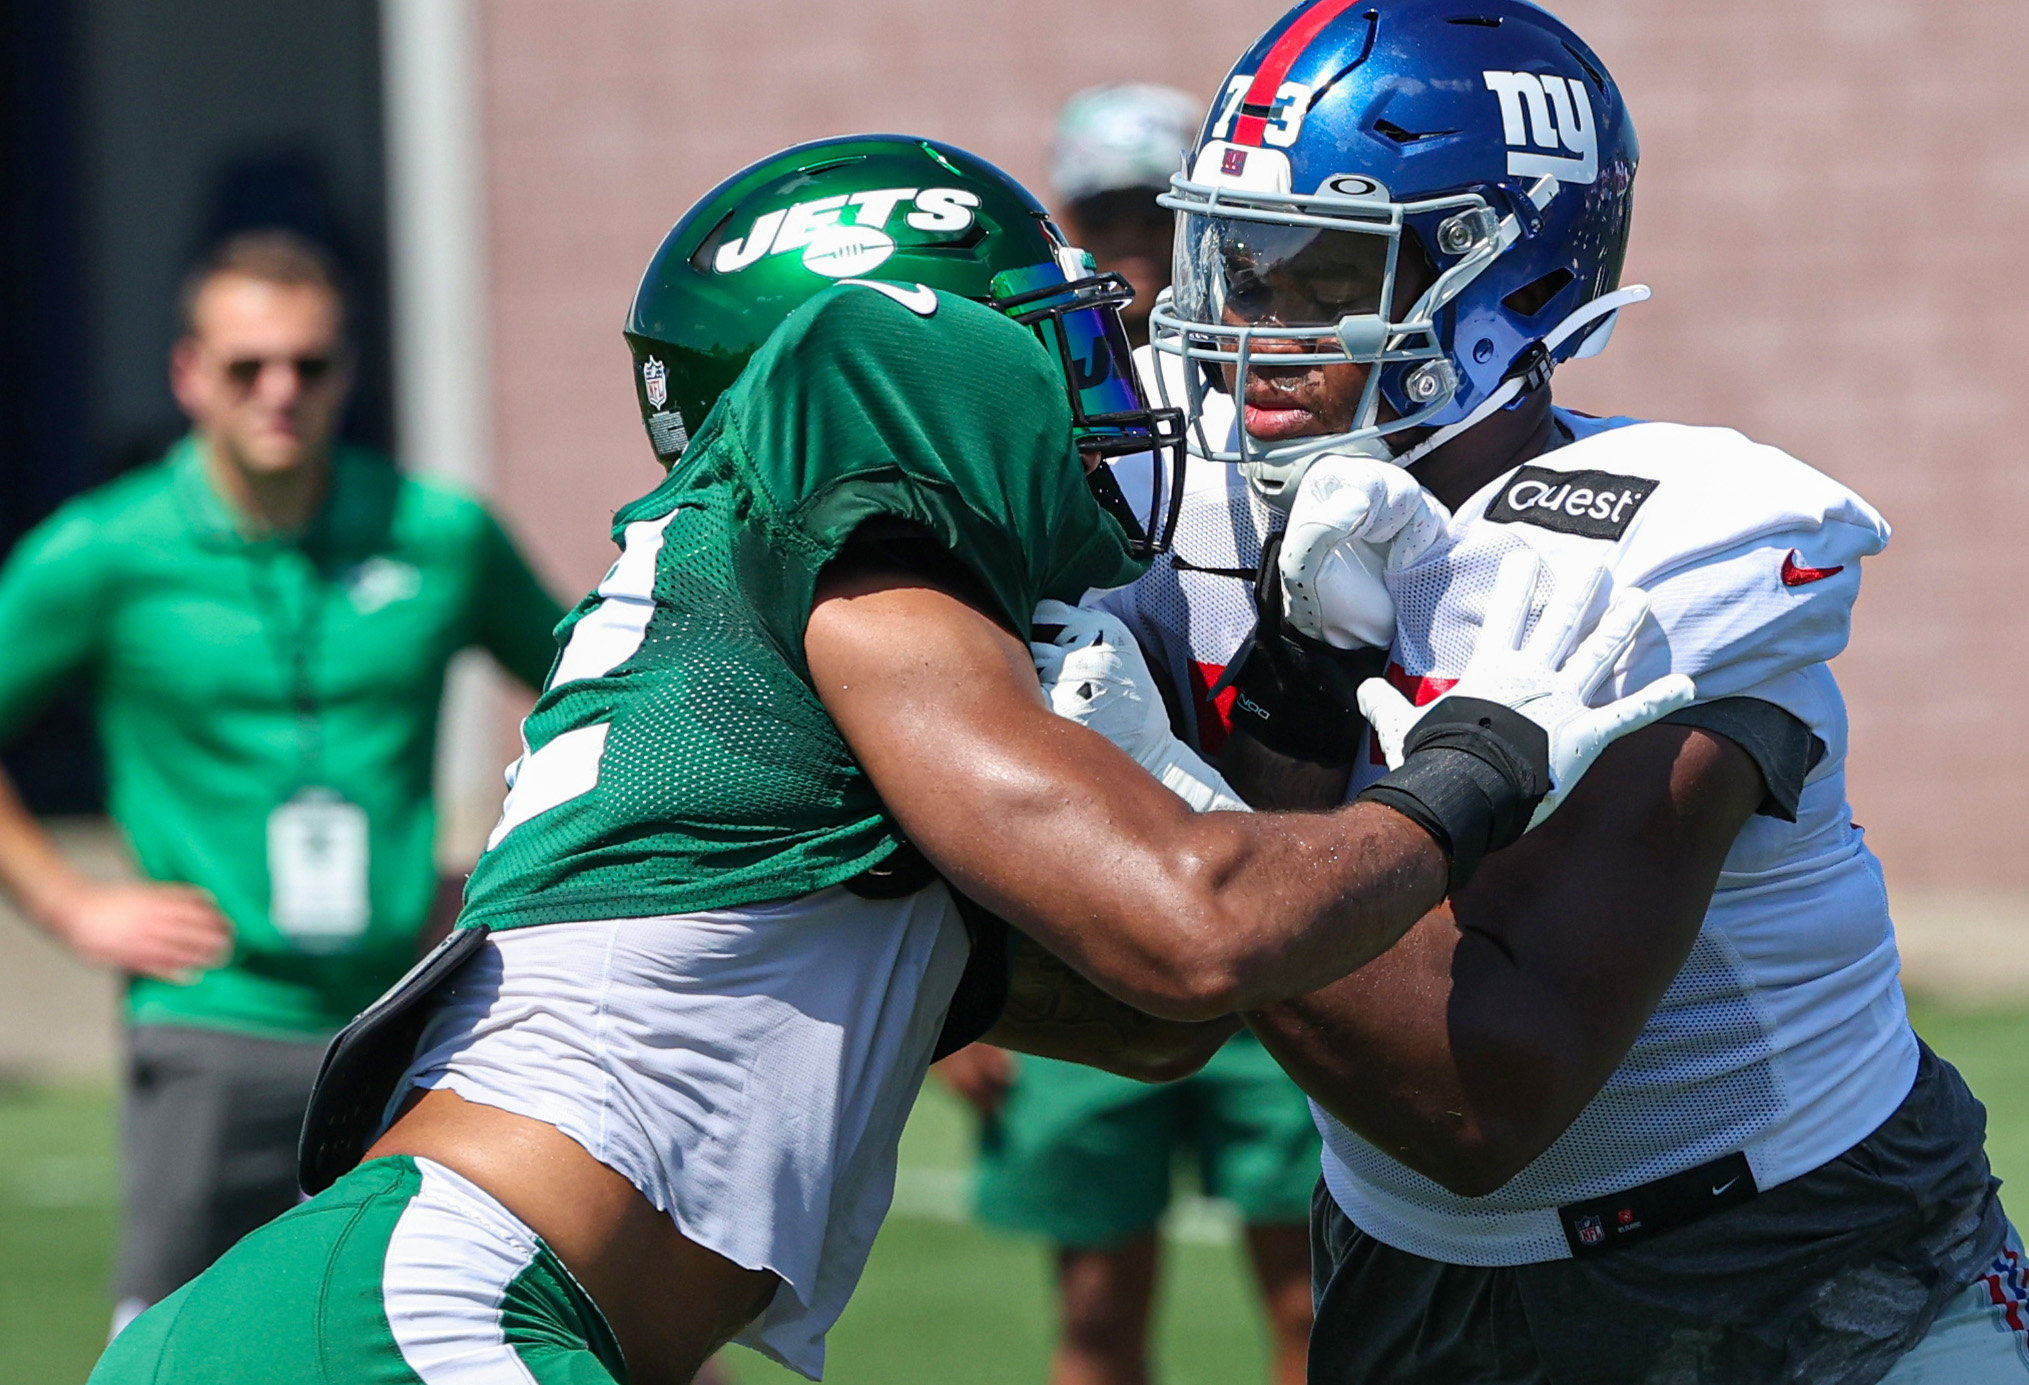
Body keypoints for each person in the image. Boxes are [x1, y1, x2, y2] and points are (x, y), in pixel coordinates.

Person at [88, 134, 1689, 1385]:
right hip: (426, 1313)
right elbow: (1194, 927)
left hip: (389, 1302)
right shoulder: (859, 567)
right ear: (864, 368)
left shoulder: (755, 667)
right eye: (1041, 343)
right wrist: (1480, 762)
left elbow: (1149, 1021)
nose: (1105, 392)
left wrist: (1287, 684)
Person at [1056, 2, 2029, 1381]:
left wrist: (1176, 799)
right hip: (1410, 1275)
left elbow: (1478, 1091)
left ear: (1496, 276)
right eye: (1233, 264)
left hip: (1800, 1265)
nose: (1246, 329)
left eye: (1315, 272)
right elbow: (1140, 1015)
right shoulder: (1191, 499)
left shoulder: (1676, 539)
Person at [0, 229, 564, 1333]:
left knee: (480, 1321)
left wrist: (500, 870)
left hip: (409, 1013)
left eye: (309, 365)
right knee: (166, 1341)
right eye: (247, 366)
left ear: (347, 372)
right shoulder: (107, 548)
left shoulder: (438, 533)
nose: (280, 392)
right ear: (188, 375)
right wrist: (67, 898)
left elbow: (602, 694)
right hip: (214, 1013)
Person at [935, 82, 1318, 1385]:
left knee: (1316, 1304)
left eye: (1159, 215)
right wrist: (963, 976)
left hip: (1276, 908)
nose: (1136, 249)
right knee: (1097, 1315)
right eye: (1103, 217)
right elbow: (947, 689)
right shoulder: (1020, 412)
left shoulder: (1295, 390)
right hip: (1076, 919)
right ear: (1062, 228)